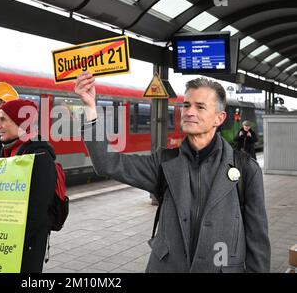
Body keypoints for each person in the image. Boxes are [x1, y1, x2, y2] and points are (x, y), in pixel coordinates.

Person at [75, 71, 270, 273]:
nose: (189, 112)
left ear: (219, 118)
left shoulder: (245, 170)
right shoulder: (164, 162)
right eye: (186, 105)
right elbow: (107, 163)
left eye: (200, 107)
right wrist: (90, 107)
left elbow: (258, 242)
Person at [0, 99, 56, 273]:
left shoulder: (40, 157)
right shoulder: (7, 152)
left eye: (3, 119)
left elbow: (35, 212)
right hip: (2, 242)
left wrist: (10, 241)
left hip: (25, 247)